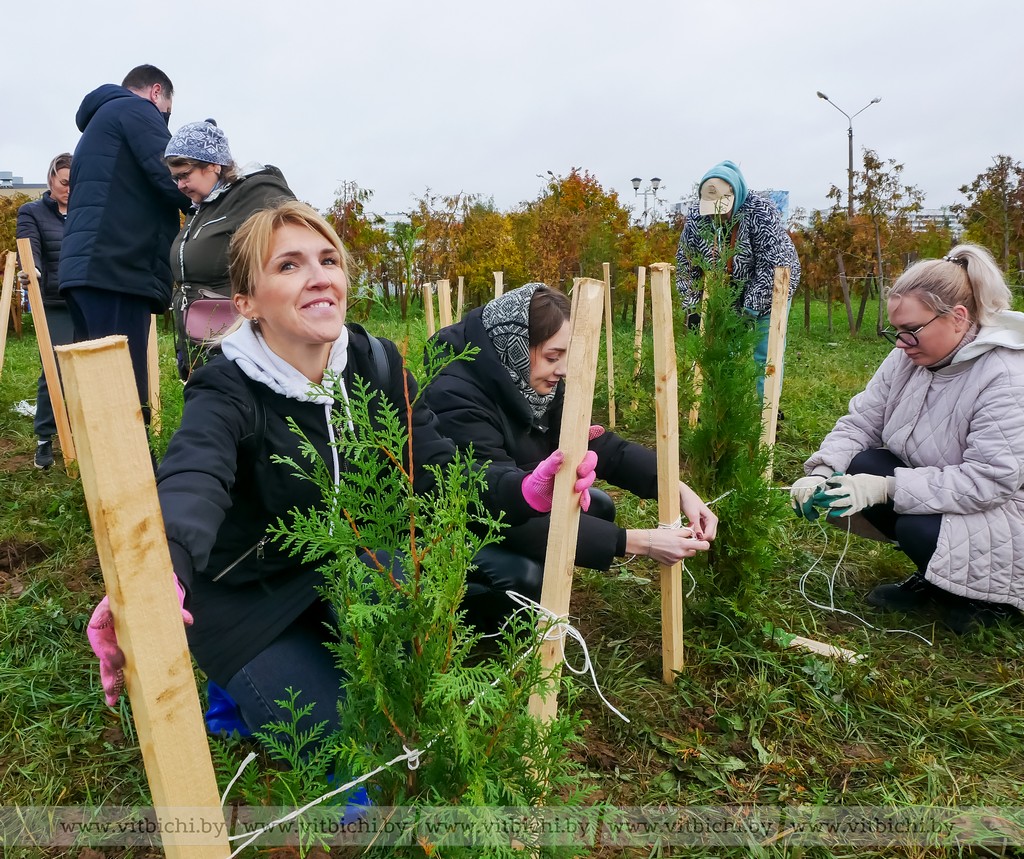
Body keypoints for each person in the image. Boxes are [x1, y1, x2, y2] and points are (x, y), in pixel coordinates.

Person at [86, 201, 593, 737]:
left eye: (328, 260)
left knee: (412, 691)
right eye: (288, 265)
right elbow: (194, 477)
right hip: (247, 598)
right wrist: (159, 571)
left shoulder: (376, 365)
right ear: (247, 302)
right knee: (344, 751)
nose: (318, 277)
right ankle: (238, 684)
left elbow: (441, 470)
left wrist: (524, 490)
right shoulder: (226, 387)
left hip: (347, 564)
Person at [422, 282, 717, 629]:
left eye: (566, 356)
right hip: (462, 523)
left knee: (600, 507)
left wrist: (676, 488)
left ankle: (545, 577)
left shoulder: (534, 380)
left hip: (516, 497)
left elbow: (597, 445)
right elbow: (494, 506)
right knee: (523, 580)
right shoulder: (454, 395)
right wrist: (639, 542)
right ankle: (472, 626)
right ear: (515, 345)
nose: (562, 370)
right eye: (552, 357)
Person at [790, 244, 1024, 634]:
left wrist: (888, 488)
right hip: (949, 493)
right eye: (895, 331)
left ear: (958, 318)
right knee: (863, 463)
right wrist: (822, 469)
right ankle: (937, 576)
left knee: (915, 523)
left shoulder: (1005, 376)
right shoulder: (909, 357)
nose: (901, 343)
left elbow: (991, 480)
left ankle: (990, 600)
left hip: (1007, 513)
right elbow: (862, 420)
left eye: (911, 331)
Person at [58, 64, 190, 424]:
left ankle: (104, 474)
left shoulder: (101, 123)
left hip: (89, 270)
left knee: (97, 381)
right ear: (156, 92)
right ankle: (135, 477)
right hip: (117, 268)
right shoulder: (136, 110)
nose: (164, 120)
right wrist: (215, 204)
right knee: (123, 384)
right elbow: (171, 173)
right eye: (168, 110)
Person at [164, 118, 295, 378]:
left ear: (213, 165)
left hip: (235, 341)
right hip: (197, 339)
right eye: (175, 178)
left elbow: (294, 240)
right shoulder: (203, 208)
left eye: (185, 175)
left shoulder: (255, 194)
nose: (179, 185)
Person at [675, 160, 801, 400]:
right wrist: (691, 306)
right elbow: (685, 263)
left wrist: (750, 310)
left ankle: (767, 411)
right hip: (725, 289)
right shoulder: (696, 216)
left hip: (772, 285)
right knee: (724, 349)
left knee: (766, 352)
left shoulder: (760, 210)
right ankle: (722, 407)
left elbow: (773, 265)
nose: (716, 215)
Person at [16, 153, 72, 470]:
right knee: (55, 370)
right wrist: (32, 270)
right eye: (64, 182)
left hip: (85, 300)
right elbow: (30, 249)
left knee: (91, 367)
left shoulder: (85, 212)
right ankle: (45, 439)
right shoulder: (32, 212)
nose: (69, 189)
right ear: (51, 178)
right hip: (53, 301)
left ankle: (84, 428)